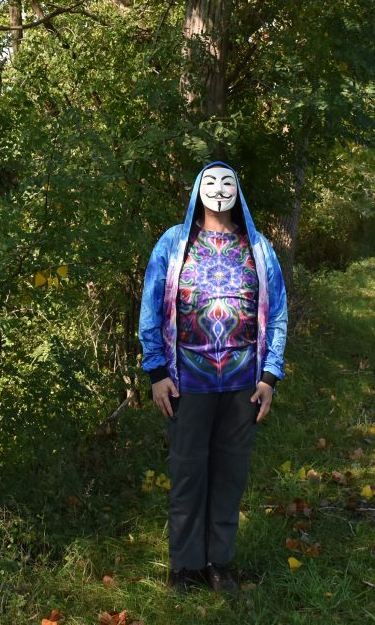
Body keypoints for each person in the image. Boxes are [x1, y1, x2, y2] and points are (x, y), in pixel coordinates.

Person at [138, 161, 288, 593]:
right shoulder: (174, 243)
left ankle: (219, 562)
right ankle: (185, 566)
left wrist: (270, 375)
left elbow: (277, 312)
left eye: (227, 183)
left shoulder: (257, 247)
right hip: (188, 380)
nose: (219, 190)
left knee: (229, 473)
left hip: (244, 383)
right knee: (188, 473)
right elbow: (151, 307)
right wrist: (157, 371)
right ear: (197, 191)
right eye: (211, 182)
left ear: (238, 190)